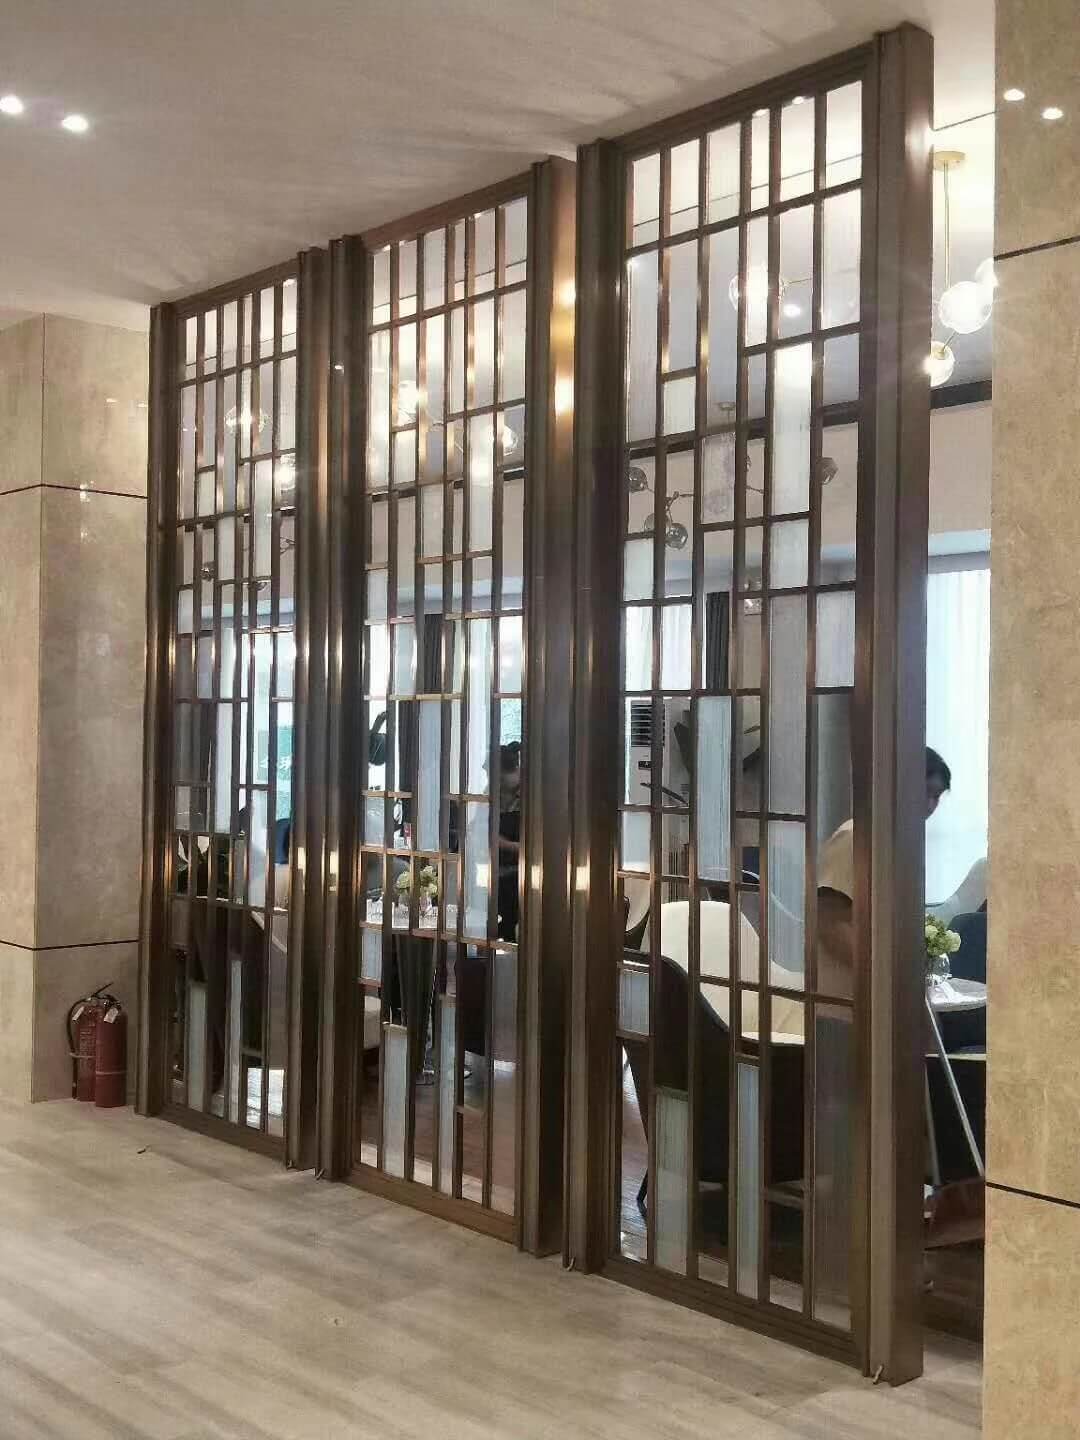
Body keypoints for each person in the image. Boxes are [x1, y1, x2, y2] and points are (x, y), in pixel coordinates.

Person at [816, 747, 952, 996]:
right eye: (924, 792)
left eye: (936, 796)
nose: (930, 805)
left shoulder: (895, 842)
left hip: (882, 993)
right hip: (846, 993)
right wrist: (881, 974)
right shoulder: (855, 837)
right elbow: (829, 922)